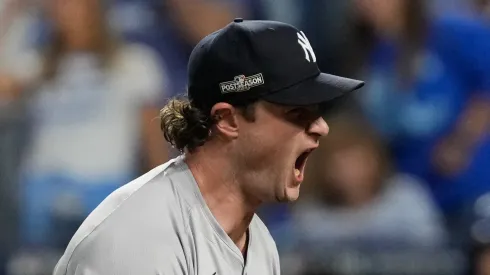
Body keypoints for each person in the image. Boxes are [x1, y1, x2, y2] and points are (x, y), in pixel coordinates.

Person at [53, 18, 364, 275]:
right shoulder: (138, 240)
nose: (321, 127)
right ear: (227, 120)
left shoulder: (260, 245)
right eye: (296, 112)